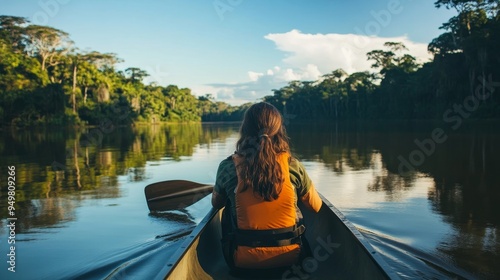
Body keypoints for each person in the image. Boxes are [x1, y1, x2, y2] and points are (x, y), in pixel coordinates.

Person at [211, 102, 322, 272]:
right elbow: (316, 207)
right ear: (279, 130)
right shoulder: (293, 165)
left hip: (241, 263)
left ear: (245, 130)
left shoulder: (227, 167)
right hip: (291, 259)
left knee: (227, 208)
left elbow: (216, 204)